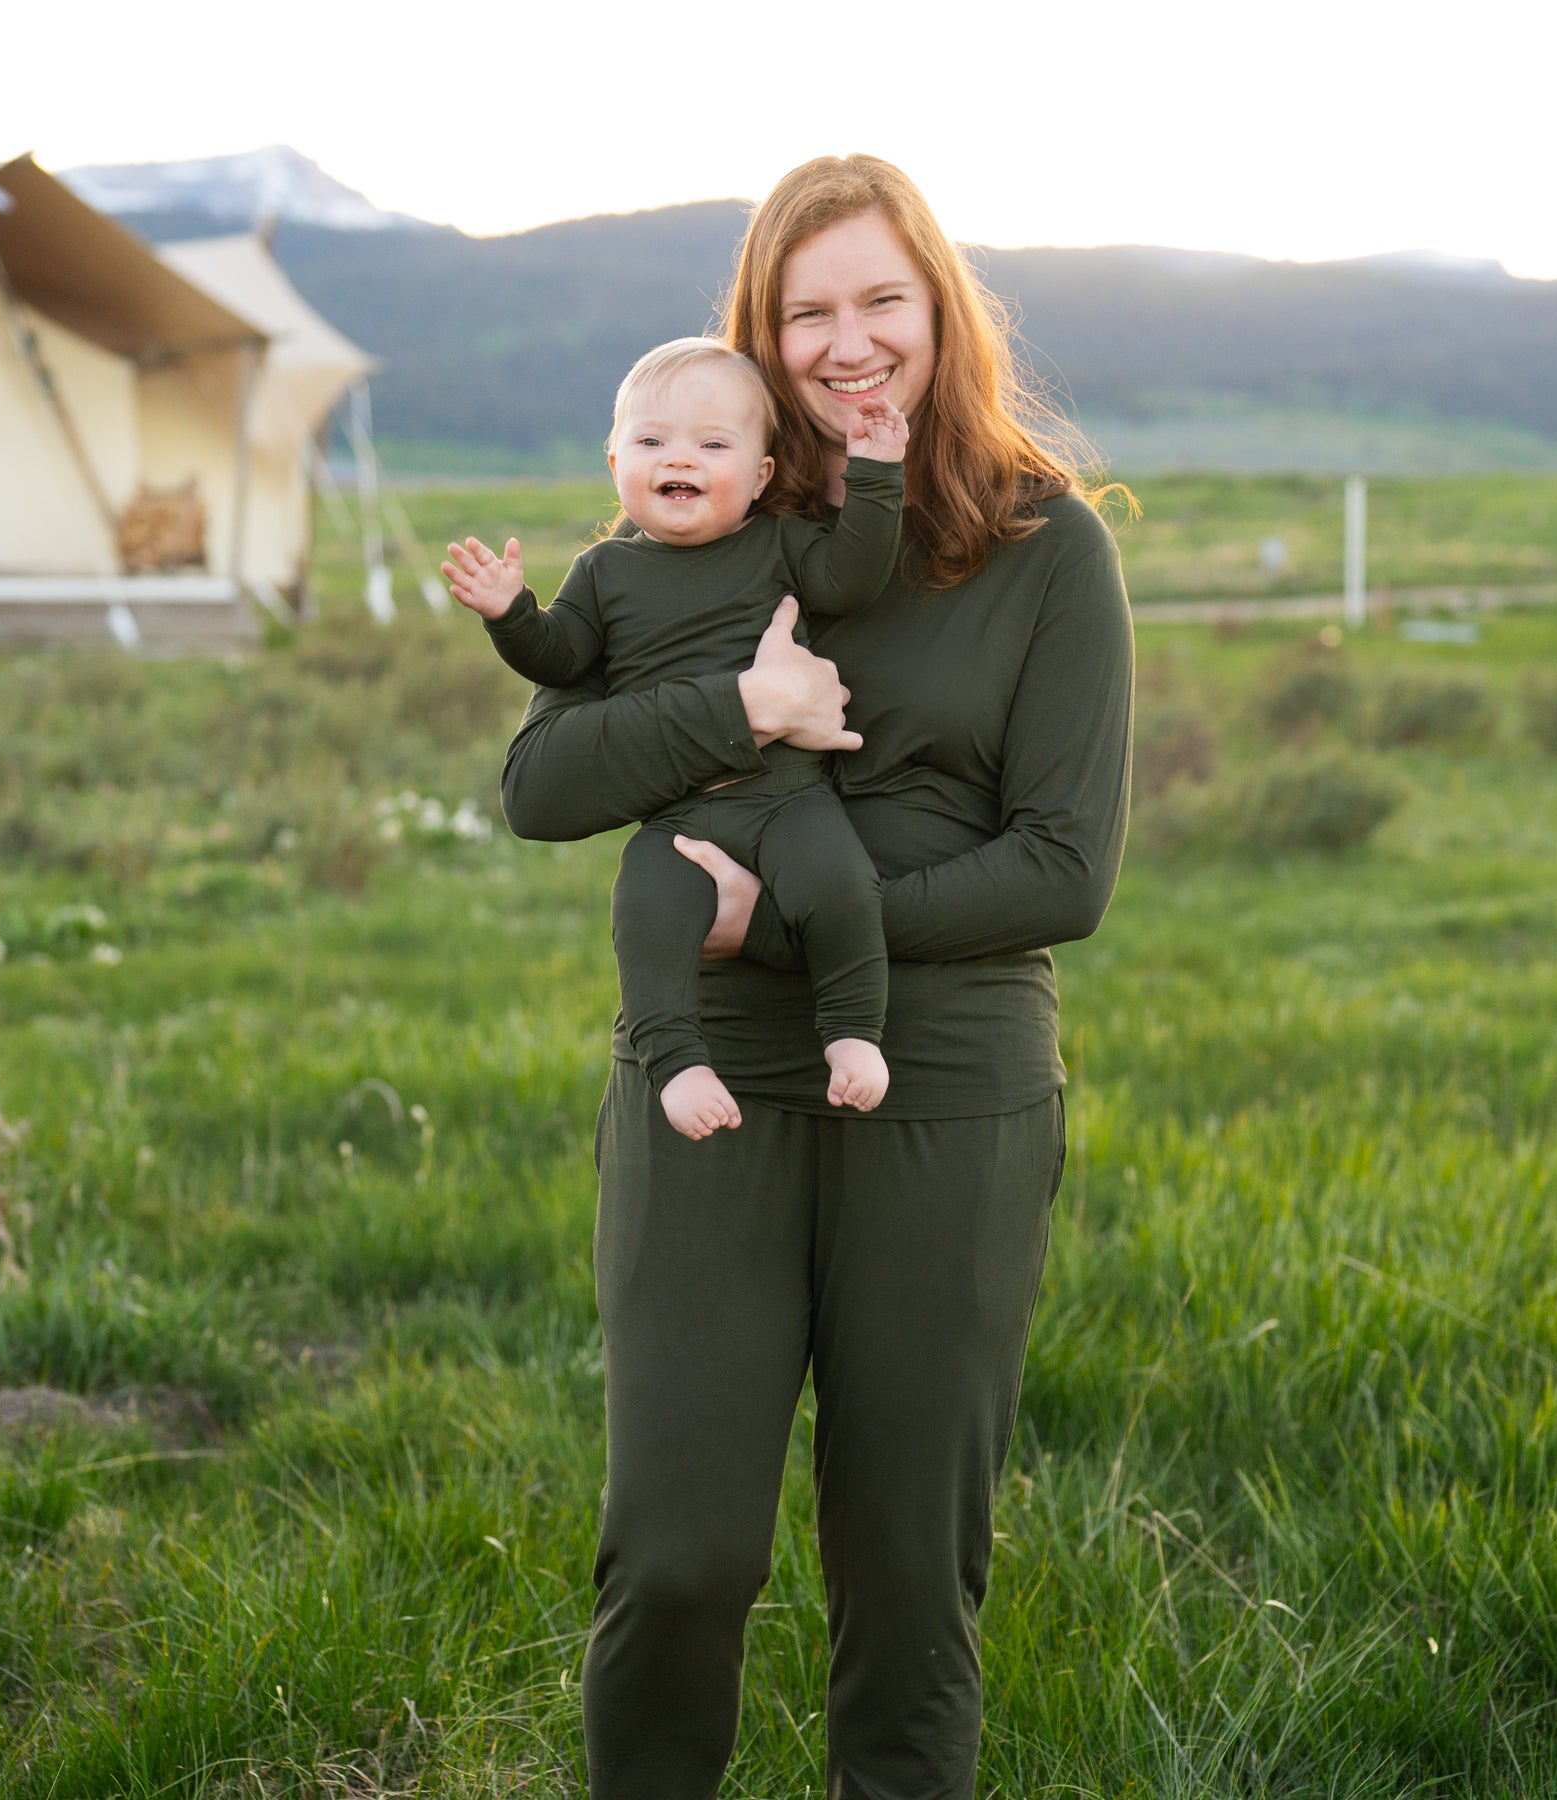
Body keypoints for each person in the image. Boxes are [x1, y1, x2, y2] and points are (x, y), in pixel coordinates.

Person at [498, 154, 1134, 1799]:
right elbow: (543, 788)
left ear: (940, 310)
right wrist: (732, 717)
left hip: (953, 1086)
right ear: (757, 346)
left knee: (913, 1589)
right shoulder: (697, 516)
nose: (849, 343)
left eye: (880, 301)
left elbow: (1065, 871)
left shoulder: (1047, 547)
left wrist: (771, 925)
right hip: (711, 1077)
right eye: (807, 314)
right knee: (679, 1560)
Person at [442, 338, 909, 1138]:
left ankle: (852, 1033)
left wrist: (873, 474)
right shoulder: (604, 571)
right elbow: (560, 655)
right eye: (652, 442)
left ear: (760, 475)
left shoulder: (780, 544)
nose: (678, 459)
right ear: (615, 460)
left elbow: (852, 577)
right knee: (647, 909)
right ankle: (675, 1059)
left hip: (787, 799)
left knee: (841, 887)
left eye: (712, 444)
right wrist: (511, 613)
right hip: (680, 815)